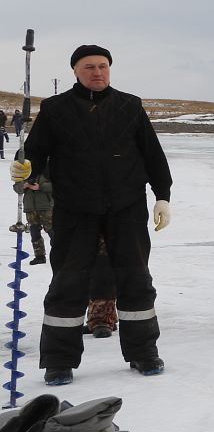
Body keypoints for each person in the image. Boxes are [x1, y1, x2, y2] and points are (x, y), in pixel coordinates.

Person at [10, 45, 171, 385]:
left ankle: (143, 352)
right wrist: (24, 169)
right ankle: (58, 361)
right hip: (75, 210)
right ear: (75, 71)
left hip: (126, 207)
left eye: (102, 66)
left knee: (136, 280)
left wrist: (163, 196)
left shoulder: (130, 105)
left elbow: (153, 155)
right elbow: (34, 154)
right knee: (67, 283)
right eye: (89, 67)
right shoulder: (55, 109)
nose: (97, 72)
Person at [12, 172, 53, 265]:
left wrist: (40, 187)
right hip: (30, 207)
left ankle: (60, 253)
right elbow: (17, 188)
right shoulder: (25, 172)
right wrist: (23, 185)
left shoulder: (48, 169)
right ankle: (39, 256)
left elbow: (56, 185)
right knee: (34, 232)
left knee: (52, 231)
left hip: (46, 206)